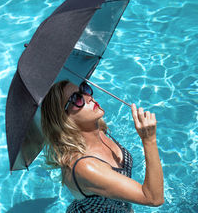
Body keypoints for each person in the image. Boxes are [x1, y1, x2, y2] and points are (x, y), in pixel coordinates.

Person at [41, 80, 164, 212]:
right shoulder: (85, 167)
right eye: (76, 99)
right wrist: (149, 140)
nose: (89, 97)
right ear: (64, 119)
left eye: (84, 88)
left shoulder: (99, 130)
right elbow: (153, 198)